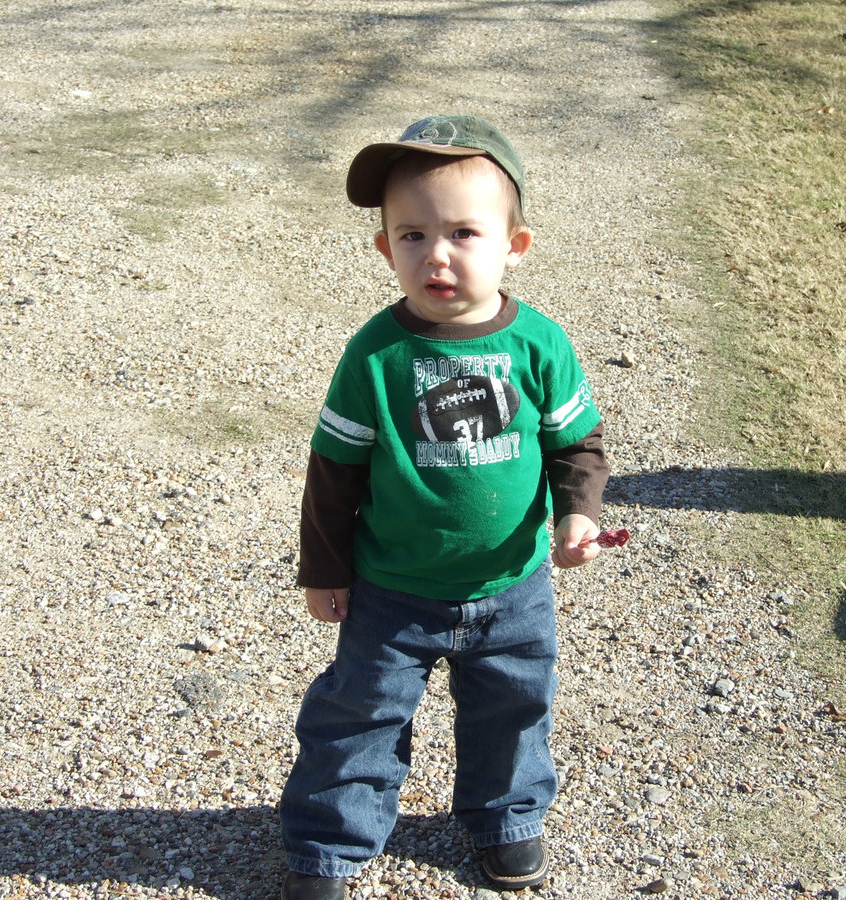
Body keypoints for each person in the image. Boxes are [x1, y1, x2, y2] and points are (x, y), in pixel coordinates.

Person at [279, 115, 610, 900]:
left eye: (464, 232)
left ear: (512, 246)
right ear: (384, 247)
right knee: (358, 716)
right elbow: (335, 470)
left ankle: (506, 819)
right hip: (394, 589)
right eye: (411, 235)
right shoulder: (376, 354)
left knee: (515, 708)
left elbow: (576, 445)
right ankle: (330, 844)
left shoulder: (539, 345)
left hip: (514, 586)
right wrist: (323, 568)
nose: (437, 255)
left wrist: (577, 515)